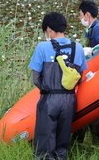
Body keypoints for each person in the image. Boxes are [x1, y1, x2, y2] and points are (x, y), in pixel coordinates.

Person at [29, 12, 88, 160]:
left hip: (49, 98)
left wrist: (47, 89)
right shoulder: (78, 47)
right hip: (69, 100)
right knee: (62, 142)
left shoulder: (42, 47)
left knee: (44, 140)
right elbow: (80, 77)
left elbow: (36, 79)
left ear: (48, 29)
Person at [73, 0, 99, 148]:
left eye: (80, 15)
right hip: (90, 77)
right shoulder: (92, 29)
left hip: (97, 78)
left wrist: (91, 52)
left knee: (98, 122)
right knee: (85, 119)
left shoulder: (98, 29)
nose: (80, 18)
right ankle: (77, 148)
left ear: (87, 14)